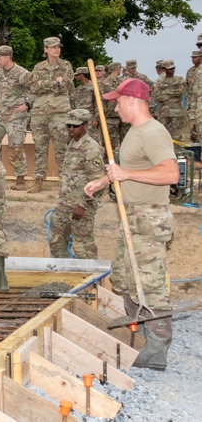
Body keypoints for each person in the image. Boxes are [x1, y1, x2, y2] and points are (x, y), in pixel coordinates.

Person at [84, 78, 178, 371]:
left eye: (117, 101)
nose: (114, 106)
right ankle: (138, 333)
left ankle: (158, 347)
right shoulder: (134, 132)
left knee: (149, 281)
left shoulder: (152, 133)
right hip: (132, 214)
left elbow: (170, 174)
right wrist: (104, 180)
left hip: (148, 217)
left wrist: (125, 173)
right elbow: (130, 171)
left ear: (133, 101)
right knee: (126, 276)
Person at [50, 109, 105, 259]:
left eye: (76, 126)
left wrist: (83, 206)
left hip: (80, 206)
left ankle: (90, 278)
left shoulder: (90, 148)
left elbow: (99, 181)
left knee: (83, 245)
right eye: (69, 126)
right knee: (56, 239)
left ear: (85, 125)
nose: (71, 129)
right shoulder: (73, 143)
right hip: (65, 204)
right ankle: (62, 276)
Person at [24, 36, 74, 193]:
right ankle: (38, 180)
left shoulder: (66, 66)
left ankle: (65, 182)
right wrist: (54, 83)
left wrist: (44, 84)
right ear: (46, 49)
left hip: (59, 113)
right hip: (40, 113)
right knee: (40, 148)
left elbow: (65, 85)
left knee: (61, 149)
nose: (56, 49)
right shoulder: (38, 67)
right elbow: (33, 87)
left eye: (58, 47)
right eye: (53, 47)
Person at [0, 45, 31, 191]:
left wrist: (27, 103)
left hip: (16, 117)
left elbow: (36, 88)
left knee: (15, 147)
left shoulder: (22, 73)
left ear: (7, 57)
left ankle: (20, 180)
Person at [153, 60, 187, 141]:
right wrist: (172, 94)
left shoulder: (179, 79)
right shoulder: (159, 81)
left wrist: (165, 92)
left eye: (173, 68)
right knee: (162, 135)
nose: (173, 70)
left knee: (177, 135)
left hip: (176, 112)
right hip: (163, 113)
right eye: (170, 69)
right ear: (164, 69)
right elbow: (157, 96)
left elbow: (180, 92)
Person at [72, 67, 100, 143]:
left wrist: (96, 119)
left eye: (77, 75)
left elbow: (98, 104)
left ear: (82, 75)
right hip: (79, 119)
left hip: (90, 119)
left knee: (93, 140)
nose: (75, 77)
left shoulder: (94, 87)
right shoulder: (77, 89)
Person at [186, 50, 202, 141]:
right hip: (194, 103)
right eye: (192, 57)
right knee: (195, 131)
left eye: (195, 57)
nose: (193, 59)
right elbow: (189, 88)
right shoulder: (191, 71)